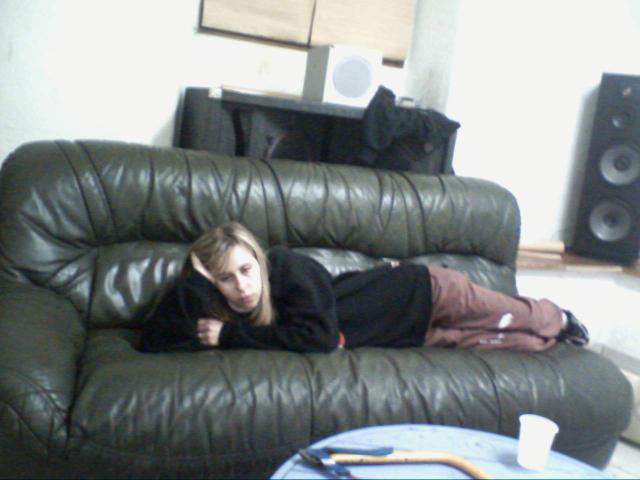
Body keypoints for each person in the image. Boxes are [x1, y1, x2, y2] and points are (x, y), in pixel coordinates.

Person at [140, 222, 589, 353]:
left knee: (515, 315)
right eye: (225, 278)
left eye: (245, 269)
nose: (242, 286)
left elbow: (318, 338)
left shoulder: (287, 267)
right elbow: (154, 340)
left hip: (424, 291)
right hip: (411, 334)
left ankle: (561, 317)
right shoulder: (221, 301)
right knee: (519, 345)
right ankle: (554, 339)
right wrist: (194, 280)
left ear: (258, 259)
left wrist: (232, 336)